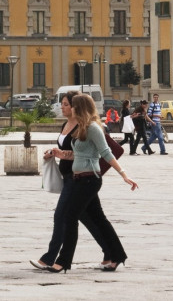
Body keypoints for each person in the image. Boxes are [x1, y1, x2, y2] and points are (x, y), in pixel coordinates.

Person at [41, 94, 137, 273]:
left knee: (70, 217)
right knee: (99, 220)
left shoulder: (93, 127)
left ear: (81, 108)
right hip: (79, 179)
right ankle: (117, 255)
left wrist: (124, 175)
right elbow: (79, 153)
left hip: (89, 180)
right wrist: (60, 154)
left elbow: (106, 153)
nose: (70, 108)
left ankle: (63, 262)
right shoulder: (81, 128)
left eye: (73, 106)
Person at [31, 91, 115, 271]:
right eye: (62, 104)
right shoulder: (66, 124)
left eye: (66, 104)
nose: (62, 107)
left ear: (76, 106)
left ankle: (50, 258)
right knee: (89, 218)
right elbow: (65, 149)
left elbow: (87, 152)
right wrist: (53, 153)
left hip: (79, 178)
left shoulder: (84, 126)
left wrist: (123, 174)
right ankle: (110, 253)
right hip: (70, 176)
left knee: (61, 215)